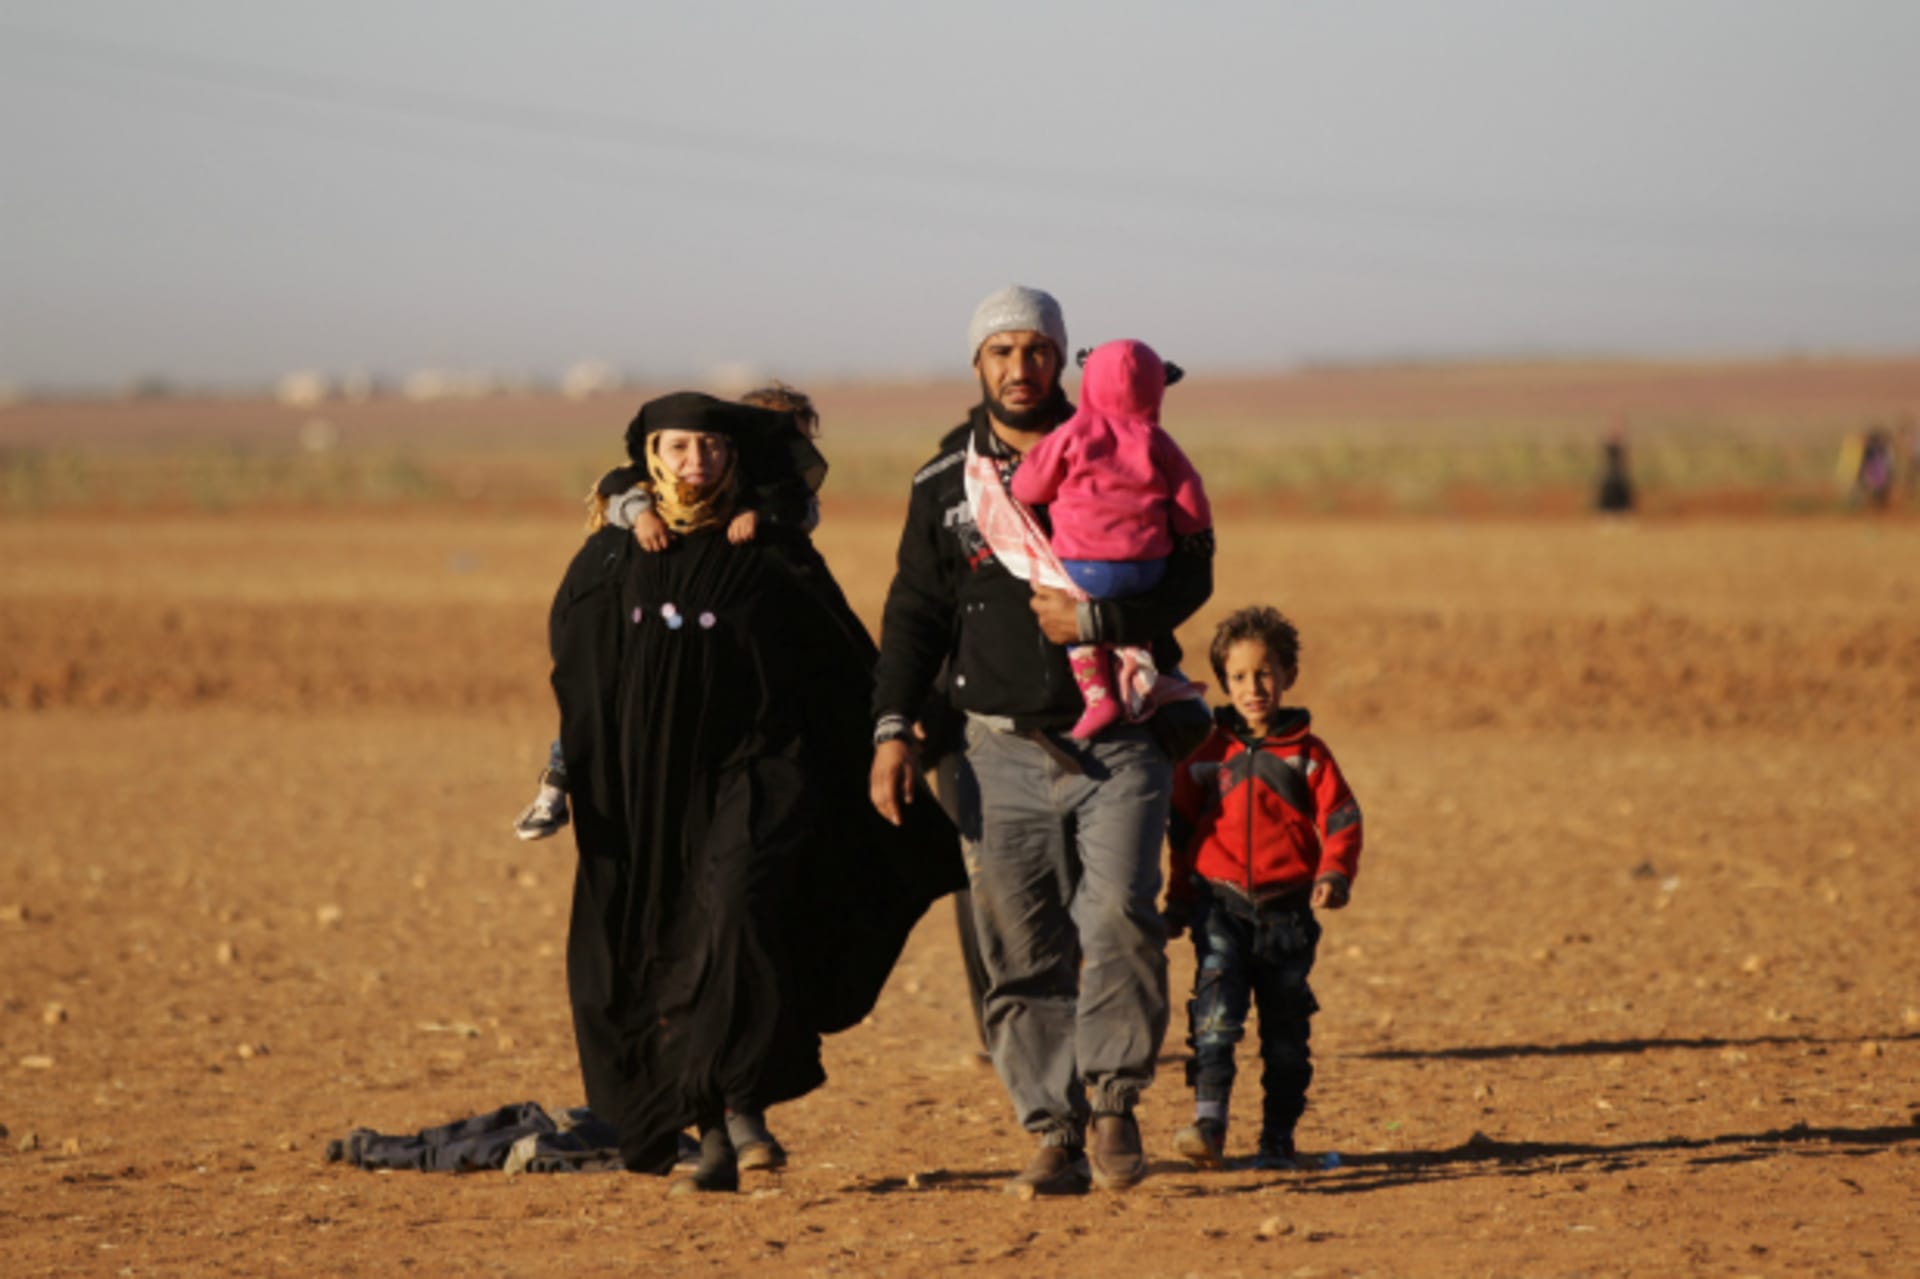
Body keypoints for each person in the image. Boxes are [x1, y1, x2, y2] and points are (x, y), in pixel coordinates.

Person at [552, 391, 962, 1192]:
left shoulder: (773, 547)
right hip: (655, 789)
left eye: (710, 448)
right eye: (677, 449)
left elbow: (841, 657)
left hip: (762, 773)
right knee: (679, 939)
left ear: (734, 457)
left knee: (738, 910)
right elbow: (579, 665)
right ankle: (718, 1128)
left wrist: (892, 736)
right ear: (651, 458)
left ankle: (740, 1104)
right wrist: (579, 772)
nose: (695, 464)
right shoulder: (616, 550)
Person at [869, 285, 1214, 1196]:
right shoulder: (946, 482)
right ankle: (1052, 1126)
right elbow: (913, 613)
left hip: (1122, 739)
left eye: (1036, 351)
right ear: (977, 365)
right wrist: (894, 730)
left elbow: (1193, 569)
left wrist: (1101, 615)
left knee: (1121, 920)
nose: (1020, 369)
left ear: (1062, 359)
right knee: (1019, 955)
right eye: (1001, 353)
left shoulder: (1128, 447)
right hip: (995, 749)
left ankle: (1113, 1103)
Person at [513, 384, 824, 843]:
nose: (786, 452)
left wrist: (761, 515)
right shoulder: (659, 482)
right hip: (645, 645)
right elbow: (617, 486)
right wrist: (642, 517)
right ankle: (559, 781)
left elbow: (802, 514)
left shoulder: (778, 496)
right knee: (598, 688)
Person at [1162, 606, 1363, 1172]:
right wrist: (1178, 901)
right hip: (1219, 903)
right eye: (1241, 677)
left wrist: (1333, 874)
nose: (1255, 687)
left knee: (1285, 1033)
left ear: (1289, 675)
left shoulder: (1308, 754)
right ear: (1224, 682)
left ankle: (1277, 1138)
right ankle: (1209, 1124)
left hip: (1288, 914)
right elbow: (1179, 830)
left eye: (1266, 673)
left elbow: (1342, 817)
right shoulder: (1206, 752)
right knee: (1216, 1015)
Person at [1010, 338, 1211, 739]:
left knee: (1062, 606)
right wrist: (1194, 534)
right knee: (1137, 619)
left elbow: (1028, 489)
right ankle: (1140, 672)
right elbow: (1190, 497)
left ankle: (1099, 695)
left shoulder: (1074, 432)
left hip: (1086, 568)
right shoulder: (1156, 439)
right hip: (1148, 568)